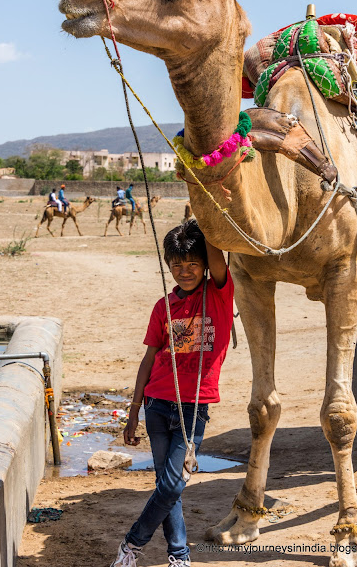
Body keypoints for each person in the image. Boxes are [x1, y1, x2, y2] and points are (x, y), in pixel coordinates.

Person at [111, 219, 234, 567]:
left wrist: (205, 217)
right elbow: (149, 358)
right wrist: (133, 411)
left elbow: (219, 259)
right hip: (156, 403)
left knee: (172, 484)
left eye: (193, 263)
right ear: (168, 266)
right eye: (177, 265)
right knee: (169, 486)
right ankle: (179, 556)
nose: (185, 271)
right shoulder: (162, 306)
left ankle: (131, 544)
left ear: (205, 264)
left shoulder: (219, 294)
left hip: (194, 407)